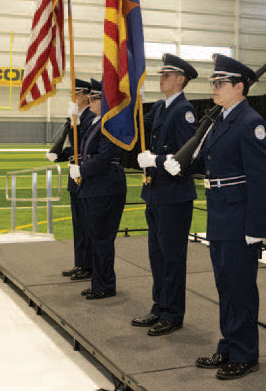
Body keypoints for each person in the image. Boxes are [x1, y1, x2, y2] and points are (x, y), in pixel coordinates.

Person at [165, 54, 266, 381]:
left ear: (240, 87)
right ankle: (228, 346)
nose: (214, 87)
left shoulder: (250, 122)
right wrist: (179, 162)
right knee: (225, 287)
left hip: (240, 217)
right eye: (213, 82)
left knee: (240, 289)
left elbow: (261, 179)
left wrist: (256, 226)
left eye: (220, 83)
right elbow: (210, 163)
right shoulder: (221, 119)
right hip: (219, 214)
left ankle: (245, 354)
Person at [131, 54, 199, 336]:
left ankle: (173, 313)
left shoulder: (184, 111)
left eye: (167, 75)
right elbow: (136, 125)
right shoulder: (161, 107)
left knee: (172, 257)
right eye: (161, 75)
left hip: (174, 195)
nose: (161, 79)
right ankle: (159, 306)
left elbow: (189, 155)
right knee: (157, 255)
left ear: (181, 79)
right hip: (156, 194)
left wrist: (156, 161)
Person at [69, 78, 127, 299]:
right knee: (95, 238)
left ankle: (105, 285)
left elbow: (105, 156)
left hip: (105, 187)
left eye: (95, 97)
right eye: (91, 97)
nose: (91, 101)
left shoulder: (110, 123)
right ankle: (98, 282)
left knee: (102, 239)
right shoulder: (97, 123)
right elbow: (82, 149)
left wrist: (83, 170)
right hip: (95, 186)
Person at [47, 78, 94, 280]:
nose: (72, 98)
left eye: (75, 94)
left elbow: (87, 149)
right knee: (78, 225)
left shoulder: (91, 118)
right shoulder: (75, 117)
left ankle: (89, 266)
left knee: (87, 225)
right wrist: (61, 154)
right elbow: (75, 149)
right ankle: (80, 263)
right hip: (74, 178)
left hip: (86, 177)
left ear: (85, 96)